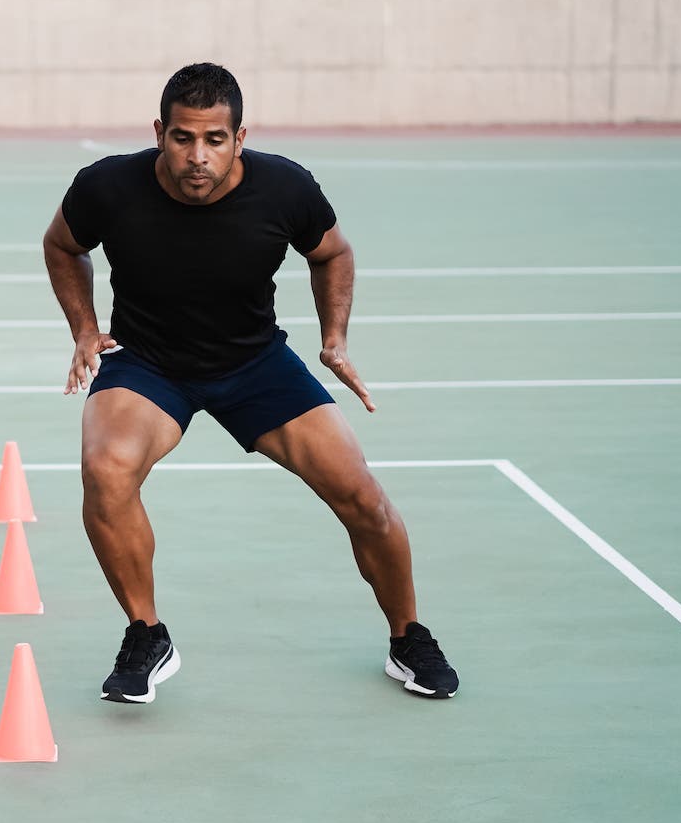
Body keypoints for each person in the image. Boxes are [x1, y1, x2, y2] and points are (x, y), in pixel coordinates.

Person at [41, 62, 459, 704]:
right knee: (105, 468)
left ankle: (409, 637)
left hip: (255, 363)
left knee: (364, 499)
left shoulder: (284, 188)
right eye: (183, 138)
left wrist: (335, 338)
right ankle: (147, 634)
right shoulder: (108, 187)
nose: (197, 157)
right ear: (160, 133)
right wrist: (83, 328)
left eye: (214, 139)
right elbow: (63, 244)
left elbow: (332, 253)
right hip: (148, 362)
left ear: (240, 137)